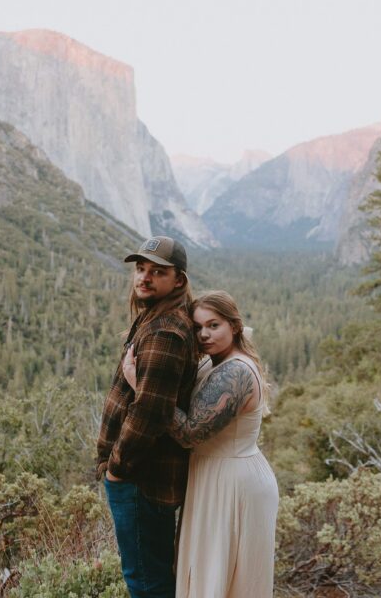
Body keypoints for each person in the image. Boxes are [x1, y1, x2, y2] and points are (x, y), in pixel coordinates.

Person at [123, 290, 278, 598]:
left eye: (214, 325)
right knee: (210, 572)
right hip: (212, 475)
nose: (204, 334)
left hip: (233, 482)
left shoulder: (235, 371)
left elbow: (190, 433)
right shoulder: (213, 361)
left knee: (224, 576)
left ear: (233, 326)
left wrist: (143, 386)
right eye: (197, 327)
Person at [96, 236, 199, 598]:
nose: (145, 277)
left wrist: (117, 467)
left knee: (145, 582)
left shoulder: (165, 331)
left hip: (142, 479)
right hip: (142, 478)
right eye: (141, 269)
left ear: (179, 281)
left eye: (158, 272)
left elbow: (151, 413)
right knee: (150, 575)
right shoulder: (156, 319)